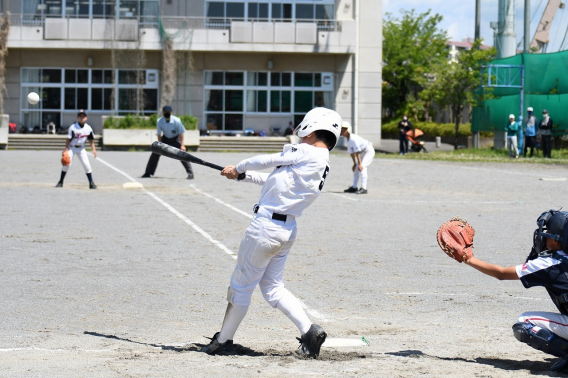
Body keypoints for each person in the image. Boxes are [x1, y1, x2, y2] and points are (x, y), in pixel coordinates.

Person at [200, 107, 341, 358]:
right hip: (286, 230)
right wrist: (240, 175)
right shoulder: (318, 161)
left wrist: (239, 166)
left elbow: (265, 160)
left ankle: (223, 341)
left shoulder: (307, 151)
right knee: (273, 288)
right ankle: (309, 331)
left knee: (241, 287)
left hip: (265, 230)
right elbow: (275, 180)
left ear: (312, 128)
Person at [461, 209, 568, 373]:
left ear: (558, 241)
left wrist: (468, 259)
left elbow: (501, 273)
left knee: (525, 323)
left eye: (548, 233)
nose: (543, 236)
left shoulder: (549, 263)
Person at [141, 106, 194, 179]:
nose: (167, 114)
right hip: (165, 139)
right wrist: (159, 145)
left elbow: (181, 134)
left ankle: (190, 173)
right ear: (163, 113)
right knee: (155, 153)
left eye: (168, 113)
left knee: (182, 154)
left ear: (171, 113)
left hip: (176, 139)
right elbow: (159, 134)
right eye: (165, 113)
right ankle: (148, 172)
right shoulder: (159, 121)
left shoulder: (177, 121)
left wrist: (182, 145)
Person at [55, 110, 97, 189]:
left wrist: (94, 149)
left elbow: (91, 139)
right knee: (67, 164)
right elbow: (68, 139)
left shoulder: (88, 128)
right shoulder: (73, 127)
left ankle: (91, 183)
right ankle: (60, 182)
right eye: (80, 116)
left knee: (87, 165)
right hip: (72, 147)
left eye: (83, 116)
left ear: (86, 118)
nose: (82, 117)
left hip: (81, 148)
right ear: (77, 117)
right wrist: (66, 150)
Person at [340, 122, 375, 194]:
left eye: (344, 129)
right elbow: (351, 153)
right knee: (356, 168)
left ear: (348, 130)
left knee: (362, 167)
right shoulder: (347, 139)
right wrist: (355, 163)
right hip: (363, 152)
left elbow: (357, 152)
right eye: (342, 129)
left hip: (368, 151)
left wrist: (360, 164)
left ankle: (364, 188)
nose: (342, 131)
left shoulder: (353, 138)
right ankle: (354, 187)